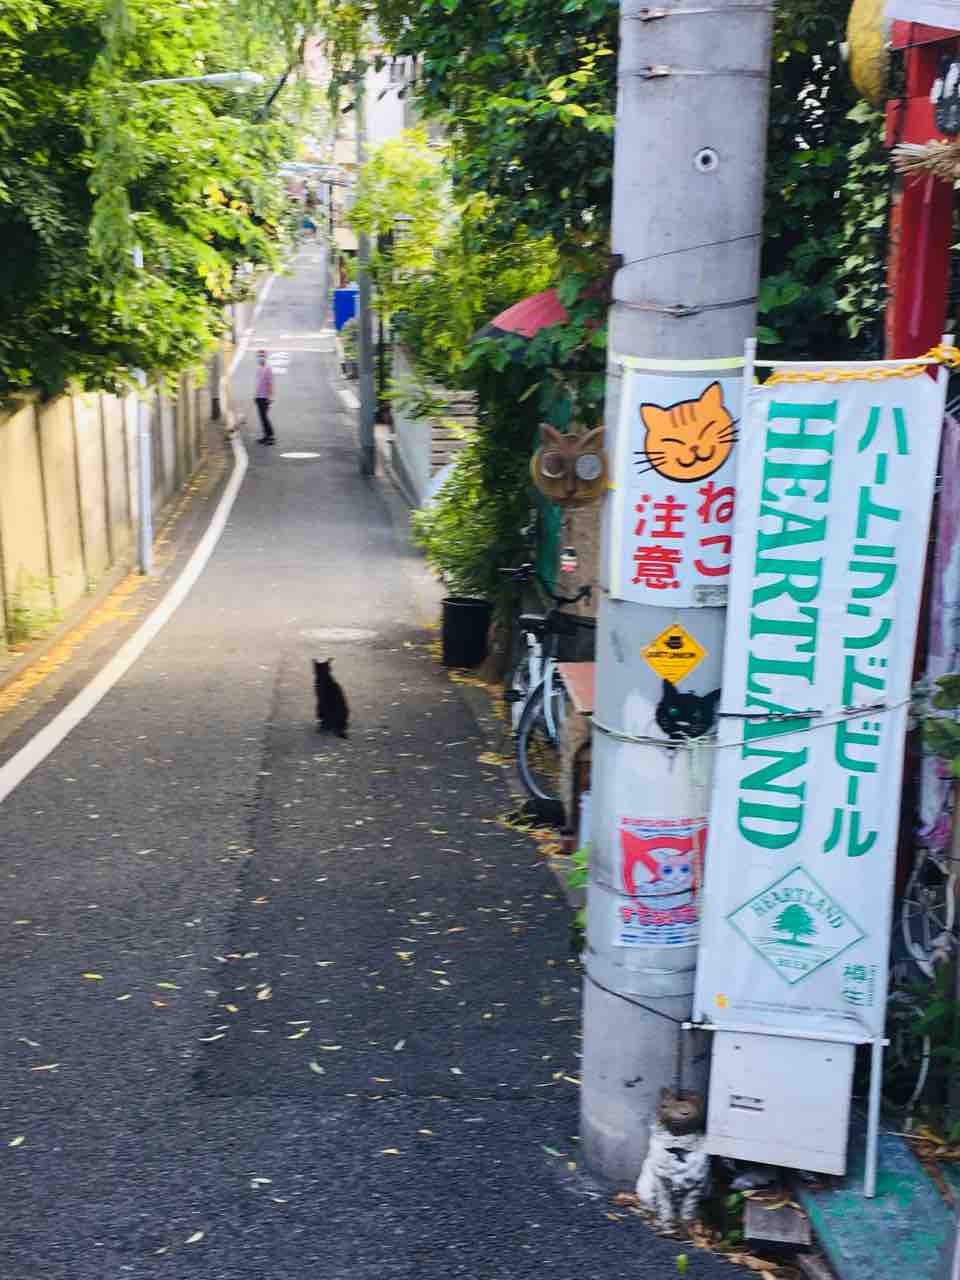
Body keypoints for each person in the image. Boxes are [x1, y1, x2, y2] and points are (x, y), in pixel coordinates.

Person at [254, 350, 275, 445]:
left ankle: (271, 437)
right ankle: (265, 436)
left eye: (262, 356)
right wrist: (255, 395)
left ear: (265, 357)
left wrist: (270, 397)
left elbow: (270, 384)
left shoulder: (268, 368)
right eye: (259, 356)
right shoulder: (259, 368)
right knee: (262, 417)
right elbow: (258, 383)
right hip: (259, 396)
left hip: (265, 397)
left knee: (265, 417)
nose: (260, 358)